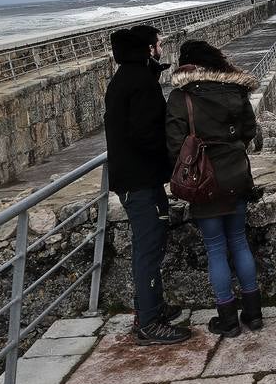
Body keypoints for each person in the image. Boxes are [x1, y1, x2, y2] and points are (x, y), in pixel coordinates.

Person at [165, 40, 264, 338]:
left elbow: (173, 144)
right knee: (239, 241)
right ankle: (254, 314)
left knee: (216, 248)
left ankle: (228, 320)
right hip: (236, 176)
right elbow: (249, 131)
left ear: (188, 64)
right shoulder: (235, 91)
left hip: (204, 181)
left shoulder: (181, 97)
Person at [105, 27, 190, 345]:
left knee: (149, 246)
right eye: (159, 43)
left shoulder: (128, 78)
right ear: (148, 49)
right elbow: (145, 135)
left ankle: (151, 308)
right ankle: (149, 323)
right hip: (139, 181)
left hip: (136, 179)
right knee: (149, 248)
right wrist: (174, 159)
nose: (162, 46)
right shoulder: (139, 82)